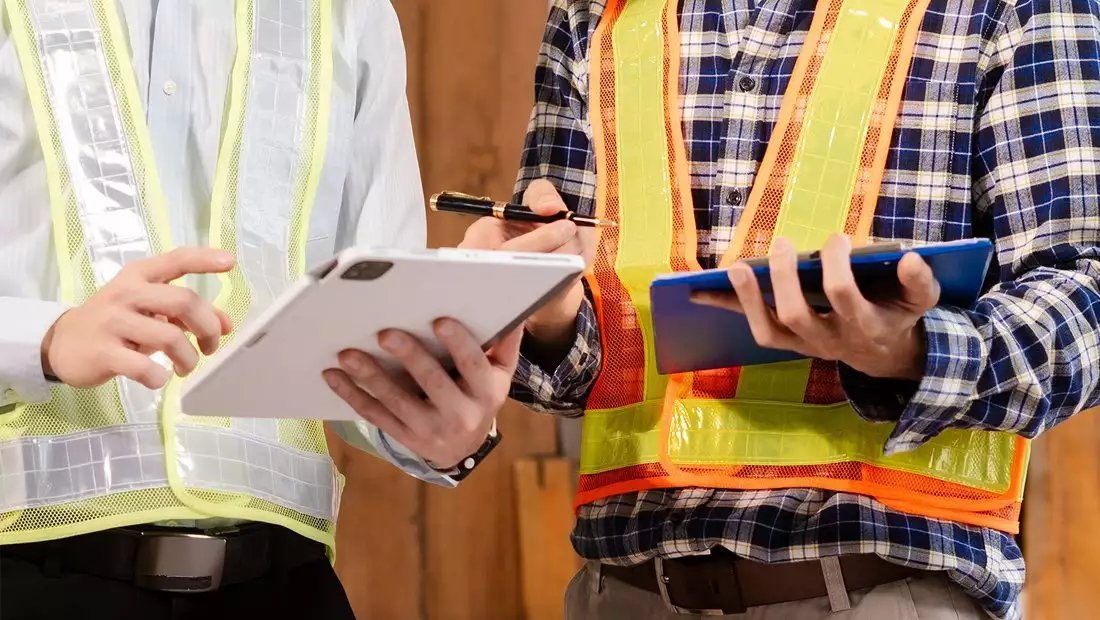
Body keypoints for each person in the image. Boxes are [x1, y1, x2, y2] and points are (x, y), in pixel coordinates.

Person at [430, 0, 1099, 618]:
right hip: (621, 594)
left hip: (880, 592)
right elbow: (583, 364)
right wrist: (542, 316)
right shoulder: (597, 13)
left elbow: (1084, 299)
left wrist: (911, 352)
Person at [0, 1, 510, 618]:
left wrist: (445, 416)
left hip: (285, 583)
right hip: (29, 570)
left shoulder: (348, 11)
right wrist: (42, 339)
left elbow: (373, 341)